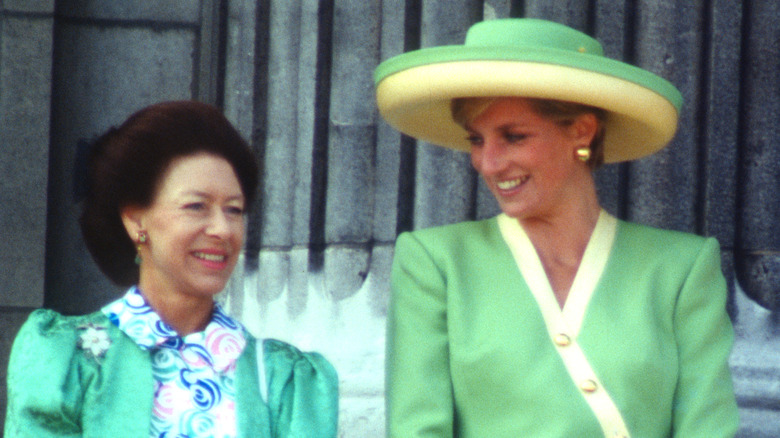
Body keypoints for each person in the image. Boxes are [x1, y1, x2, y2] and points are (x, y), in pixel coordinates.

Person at [375, 18, 738, 437]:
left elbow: (708, 427)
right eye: (477, 140)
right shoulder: (435, 262)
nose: (488, 163)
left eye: (513, 136)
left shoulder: (681, 268)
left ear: (581, 130)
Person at [4, 101, 339, 437]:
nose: (222, 229)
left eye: (234, 210)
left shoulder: (282, 377)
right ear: (135, 221)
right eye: (196, 206)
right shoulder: (69, 360)